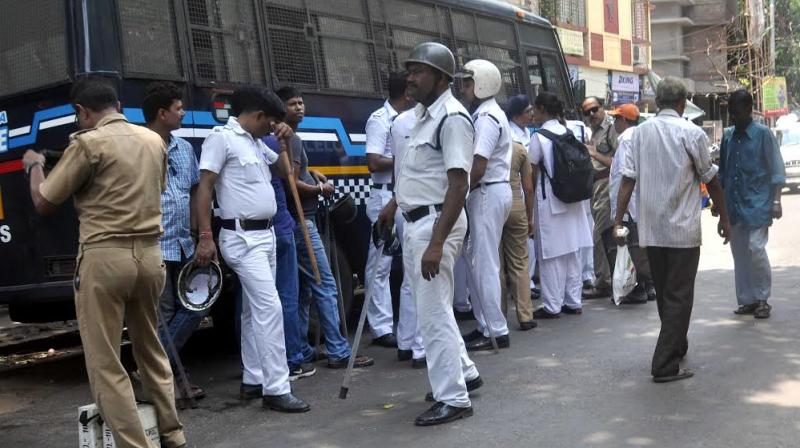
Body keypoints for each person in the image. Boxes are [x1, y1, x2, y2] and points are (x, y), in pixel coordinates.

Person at [23, 79, 186, 447]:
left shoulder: (87, 143)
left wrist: (34, 166)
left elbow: (45, 202)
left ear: (82, 111)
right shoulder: (153, 141)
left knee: (107, 362)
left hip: (105, 260)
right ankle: (173, 435)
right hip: (149, 256)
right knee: (151, 351)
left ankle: (134, 444)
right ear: (117, 105)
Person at [378, 42, 482, 426]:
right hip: (418, 219)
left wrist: (437, 242)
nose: (411, 77)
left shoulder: (452, 117)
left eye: (419, 71)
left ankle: (453, 397)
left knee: (432, 314)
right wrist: (393, 206)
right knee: (433, 308)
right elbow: (418, 173)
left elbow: (458, 185)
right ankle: (465, 373)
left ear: (441, 78)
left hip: (436, 224)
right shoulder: (424, 115)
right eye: (410, 70)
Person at [193, 86, 310, 412]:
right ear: (258, 115)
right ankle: (277, 387)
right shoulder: (222, 138)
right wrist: (205, 236)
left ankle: (253, 379)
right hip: (241, 238)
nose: (271, 129)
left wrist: (284, 140)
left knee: (252, 311)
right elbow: (204, 189)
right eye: (271, 123)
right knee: (270, 308)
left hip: (266, 236)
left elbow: (284, 171)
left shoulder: (257, 142)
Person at [613, 77, 731, 383]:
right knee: (679, 296)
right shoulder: (691, 133)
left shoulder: (638, 135)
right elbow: (711, 178)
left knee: (668, 294)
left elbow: (628, 180)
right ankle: (664, 364)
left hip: (651, 228)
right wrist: (724, 216)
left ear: (656, 103)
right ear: (682, 104)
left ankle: (677, 345)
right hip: (682, 230)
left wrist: (618, 219)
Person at [274, 86, 373, 370]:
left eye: (302, 103)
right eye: (293, 104)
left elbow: (294, 172)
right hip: (301, 220)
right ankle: (339, 350)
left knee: (305, 289)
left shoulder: (289, 137)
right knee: (326, 284)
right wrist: (320, 187)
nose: (300, 108)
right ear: (281, 108)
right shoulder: (288, 137)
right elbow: (290, 182)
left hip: (297, 218)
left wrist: (311, 171)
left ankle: (304, 349)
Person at [142, 82, 206, 399]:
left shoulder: (183, 148)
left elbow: (195, 190)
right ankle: (174, 380)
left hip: (185, 243)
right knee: (164, 317)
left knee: (195, 307)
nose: (183, 113)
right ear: (162, 113)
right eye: (178, 109)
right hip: (156, 246)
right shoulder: (139, 147)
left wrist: (198, 233)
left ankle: (152, 372)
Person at [457, 59, 513, 352]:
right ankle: (484, 324)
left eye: (467, 83)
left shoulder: (487, 118)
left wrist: (458, 195)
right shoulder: (486, 113)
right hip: (489, 192)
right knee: (478, 261)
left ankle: (495, 329)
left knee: (485, 265)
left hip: (487, 191)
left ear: (481, 84)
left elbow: (478, 166)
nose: (463, 88)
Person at [719, 89, 785, 319]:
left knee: (756, 249)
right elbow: (723, 174)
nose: (733, 118)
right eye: (730, 113)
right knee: (739, 254)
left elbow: (777, 170)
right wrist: (721, 212)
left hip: (758, 203)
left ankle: (762, 299)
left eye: (736, 113)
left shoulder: (763, 134)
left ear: (749, 110)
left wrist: (776, 201)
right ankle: (747, 300)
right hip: (734, 205)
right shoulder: (727, 136)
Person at [528, 92, 593, 318]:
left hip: (551, 202)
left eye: (535, 109)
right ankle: (573, 301)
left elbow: (531, 175)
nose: (533, 114)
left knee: (551, 255)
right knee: (572, 251)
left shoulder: (539, 137)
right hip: (573, 200)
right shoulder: (569, 133)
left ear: (543, 109)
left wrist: (529, 213)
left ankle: (552, 305)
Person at [363, 71, 415, 348]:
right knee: (380, 264)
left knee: (409, 262)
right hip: (384, 198)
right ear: (407, 92)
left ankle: (406, 328)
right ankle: (381, 327)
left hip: (404, 196)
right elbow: (372, 161)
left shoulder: (411, 119)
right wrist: (403, 160)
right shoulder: (379, 119)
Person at [261, 134, 315, 380]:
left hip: (273, 228)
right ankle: (293, 360)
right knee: (286, 298)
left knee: (260, 306)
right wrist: (286, 143)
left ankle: (270, 365)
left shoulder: (248, 142)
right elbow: (289, 174)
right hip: (279, 228)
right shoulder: (273, 143)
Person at [386, 103, 427, 368]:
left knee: (410, 279)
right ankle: (421, 347)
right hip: (425, 207)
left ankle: (406, 341)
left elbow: (396, 168)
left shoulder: (398, 121)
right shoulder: (441, 118)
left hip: (402, 203)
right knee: (425, 281)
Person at [607, 103, 655, 304]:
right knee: (638, 245)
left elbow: (627, 176)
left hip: (629, 203)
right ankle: (647, 285)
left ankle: (637, 288)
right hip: (638, 202)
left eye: (616, 118)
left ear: (624, 120)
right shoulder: (641, 136)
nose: (614, 122)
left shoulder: (627, 138)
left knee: (631, 246)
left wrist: (620, 212)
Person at [500, 96, 537, 331]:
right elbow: (529, 187)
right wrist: (529, 216)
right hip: (516, 205)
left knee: (496, 265)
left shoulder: (492, 145)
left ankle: (498, 316)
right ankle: (525, 315)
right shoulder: (520, 148)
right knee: (520, 262)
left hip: (492, 203)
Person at [582, 96, 617, 299]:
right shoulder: (592, 132)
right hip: (595, 188)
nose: (592, 115)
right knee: (604, 236)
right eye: (587, 112)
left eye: (594, 109)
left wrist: (595, 155)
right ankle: (609, 279)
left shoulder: (611, 129)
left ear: (602, 108)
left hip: (607, 186)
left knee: (598, 236)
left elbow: (618, 162)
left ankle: (603, 281)